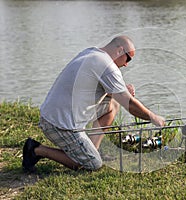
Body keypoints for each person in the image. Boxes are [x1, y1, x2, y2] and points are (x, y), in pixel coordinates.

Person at [22, 35, 165, 173]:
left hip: (54, 114)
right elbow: (130, 104)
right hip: (59, 124)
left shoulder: (92, 53)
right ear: (120, 50)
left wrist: (121, 91)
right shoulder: (107, 66)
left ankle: (91, 149)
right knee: (93, 164)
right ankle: (36, 150)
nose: (127, 64)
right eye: (128, 58)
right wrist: (153, 117)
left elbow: (103, 91)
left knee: (113, 105)